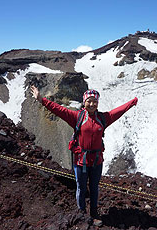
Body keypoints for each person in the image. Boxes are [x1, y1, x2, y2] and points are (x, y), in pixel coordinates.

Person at [30, 85, 137, 221]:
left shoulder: (103, 118)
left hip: (97, 161)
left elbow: (118, 111)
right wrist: (41, 99)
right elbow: (58, 109)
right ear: (84, 102)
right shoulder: (77, 117)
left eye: (95, 101)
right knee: (80, 188)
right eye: (89, 101)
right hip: (80, 161)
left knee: (94, 188)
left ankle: (93, 213)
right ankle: (81, 213)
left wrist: (132, 103)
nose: (92, 104)